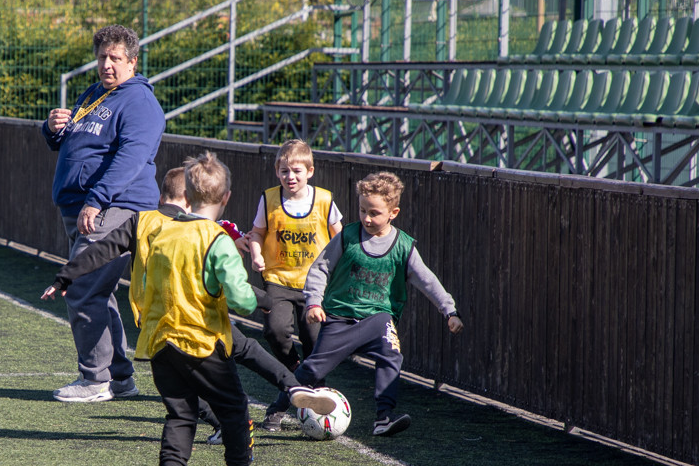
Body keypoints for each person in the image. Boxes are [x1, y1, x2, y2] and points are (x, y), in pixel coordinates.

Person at [41, 167, 331, 445]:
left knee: (180, 387)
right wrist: (266, 301)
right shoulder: (202, 228)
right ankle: (292, 386)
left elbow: (99, 251)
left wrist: (65, 277)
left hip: (160, 323)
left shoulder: (140, 222)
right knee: (246, 350)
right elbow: (231, 280)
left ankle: (220, 426)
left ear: (161, 197)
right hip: (205, 316)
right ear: (191, 199)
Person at [41, 24, 165, 403]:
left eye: (115, 58)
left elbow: (131, 158)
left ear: (133, 61)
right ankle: (120, 378)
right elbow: (75, 141)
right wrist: (51, 129)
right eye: (101, 57)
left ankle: (95, 380)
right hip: (81, 206)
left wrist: (97, 199)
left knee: (81, 287)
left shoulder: (139, 102)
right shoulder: (95, 93)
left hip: (116, 206)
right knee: (99, 292)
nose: (106, 64)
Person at [295, 171, 463, 437]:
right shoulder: (348, 236)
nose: (366, 218)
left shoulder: (403, 246)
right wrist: (314, 302)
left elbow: (427, 280)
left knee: (391, 354)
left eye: (374, 213)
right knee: (314, 368)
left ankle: (384, 417)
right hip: (340, 316)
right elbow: (320, 268)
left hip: (379, 318)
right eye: (362, 210)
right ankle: (278, 407)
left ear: (393, 213)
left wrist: (449, 311)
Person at [245, 139, 343, 430]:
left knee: (315, 342)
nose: (291, 177)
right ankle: (294, 372)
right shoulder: (269, 199)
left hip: (315, 285)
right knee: (275, 330)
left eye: (297, 171)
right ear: (277, 171)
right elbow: (256, 233)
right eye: (284, 171)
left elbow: (341, 238)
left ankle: (302, 399)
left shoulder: (324, 200)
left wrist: (341, 270)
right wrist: (256, 254)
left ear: (310, 171)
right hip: (278, 279)